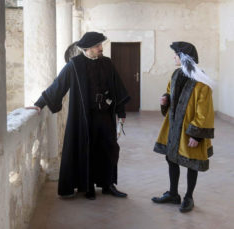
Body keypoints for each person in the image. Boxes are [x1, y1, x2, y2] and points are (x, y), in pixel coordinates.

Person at [26, 32, 130, 200]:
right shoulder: (74, 65)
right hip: (84, 118)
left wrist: (121, 112)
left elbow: (117, 89)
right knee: (87, 150)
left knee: (109, 149)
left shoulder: (107, 63)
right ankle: (87, 186)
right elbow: (57, 86)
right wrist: (39, 104)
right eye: (97, 46)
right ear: (87, 49)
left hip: (105, 116)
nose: (101, 48)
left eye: (101, 45)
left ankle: (108, 184)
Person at [152, 42, 215, 212]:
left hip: (190, 131)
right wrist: (166, 99)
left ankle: (188, 197)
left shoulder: (201, 81)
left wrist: (197, 135)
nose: (174, 57)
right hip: (173, 128)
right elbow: (170, 93)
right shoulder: (175, 75)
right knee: (171, 158)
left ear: (184, 58)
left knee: (191, 162)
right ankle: (173, 194)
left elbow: (205, 111)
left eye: (176, 54)